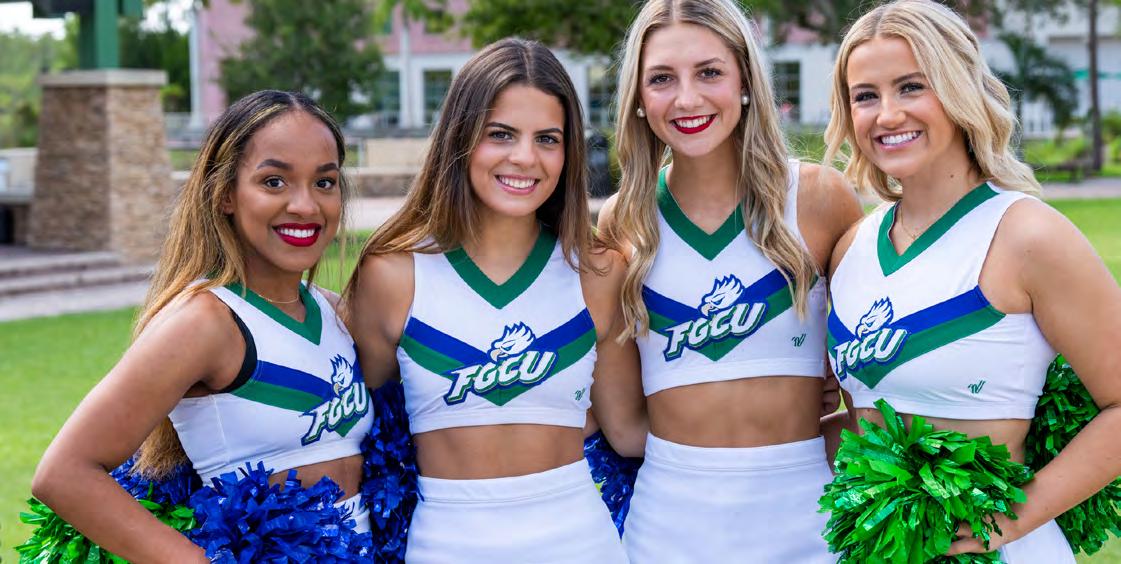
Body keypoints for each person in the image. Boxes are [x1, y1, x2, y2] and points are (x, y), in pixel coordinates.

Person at [821, 1, 1121, 561]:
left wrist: (1014, 518)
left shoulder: (1026, 234)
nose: (887, 114)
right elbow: (866, 417)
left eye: (911, 87)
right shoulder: (851, 248)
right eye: (865, 96)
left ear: (959, 90)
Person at [31, 90, 372, 562]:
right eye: (274, 181)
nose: (305, 205)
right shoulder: (204, 321)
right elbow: (64, 473)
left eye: (324, 182)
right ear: (225, 194)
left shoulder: (335, 313)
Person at [343, 38, 641, 563]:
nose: (524, 157)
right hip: (445, 546)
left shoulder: (598, 272)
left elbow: (628, 431)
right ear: (460, 138)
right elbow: (360, 430)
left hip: (580, 544)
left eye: (547, 139)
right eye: (500, 134)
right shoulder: (392, 275)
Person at [597, 0, 862, 561]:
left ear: (745, 80)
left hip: (811, 518)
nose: (687, 99)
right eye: (662, 79)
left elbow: (873, 368)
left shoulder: (818, 198)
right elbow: (624, 422)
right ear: (638, 98)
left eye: (709, 72)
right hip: (669, 525)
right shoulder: (624, 219)